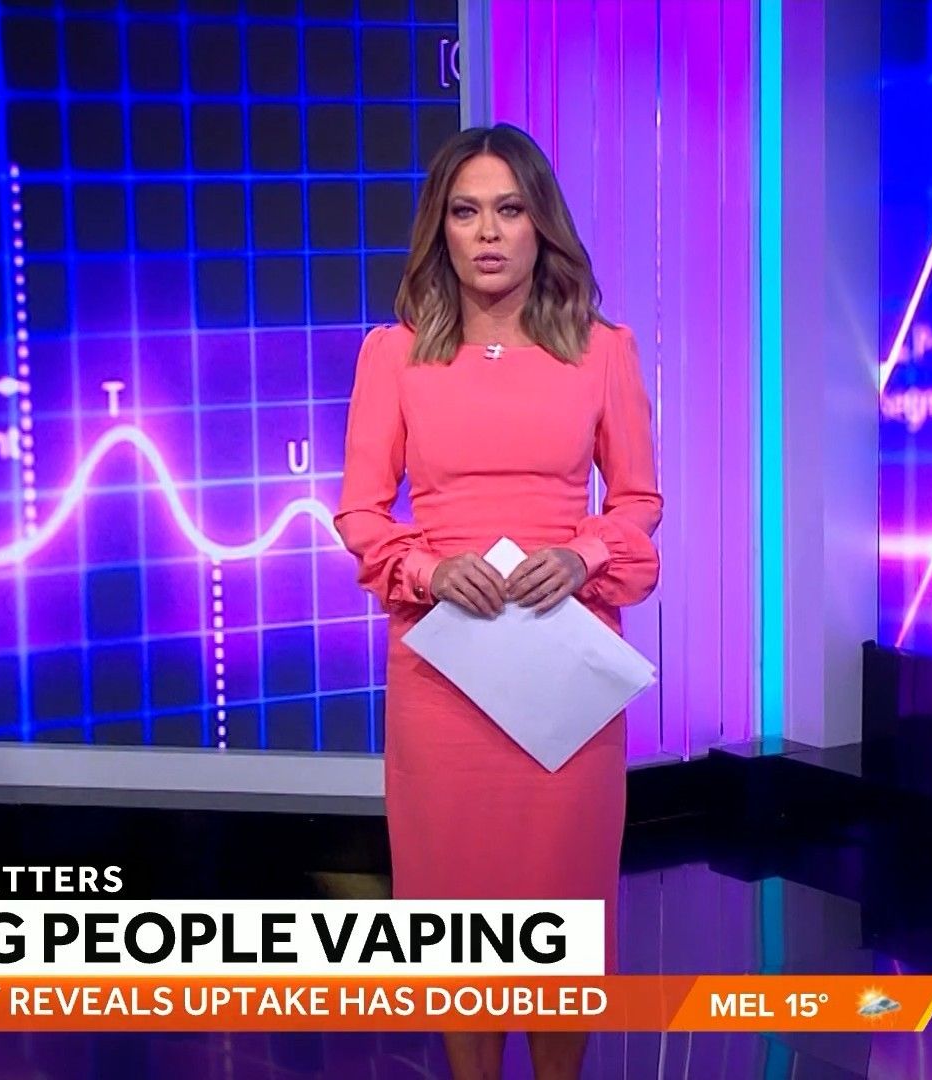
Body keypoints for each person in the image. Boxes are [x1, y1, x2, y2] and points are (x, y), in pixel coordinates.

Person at [332, 123, 663, 1080]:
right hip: (445, 672)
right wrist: (430, 571)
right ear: (440, 229)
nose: (487, 233)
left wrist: (584, 553)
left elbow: (638, 502)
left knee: (562, 913)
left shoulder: (602, 350)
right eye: (466, 211)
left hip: (562, 665)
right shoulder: (393, 355)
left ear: (539, 224)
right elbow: (360, 511)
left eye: (509, 210)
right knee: (460, 918)